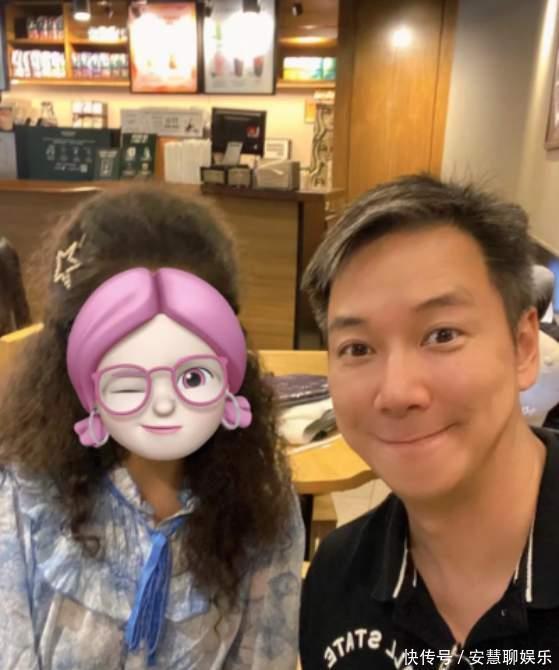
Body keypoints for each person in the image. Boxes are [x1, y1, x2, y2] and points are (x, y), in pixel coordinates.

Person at [0, 185, 304, 669]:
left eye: (190, 374)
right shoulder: (25, 493)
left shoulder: (262, 501)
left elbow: (266, 655)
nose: (163, 405)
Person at [299, 174, 558, 669]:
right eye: (358, 348)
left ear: (523, 346)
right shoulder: (337, 579)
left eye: (442, 335)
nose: (397, 392)